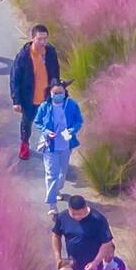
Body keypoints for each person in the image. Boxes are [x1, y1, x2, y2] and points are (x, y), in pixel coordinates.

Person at [33, 80, 83, 216]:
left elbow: (79, 120)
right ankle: (52, 204)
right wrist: (45, 131)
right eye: (55, 93)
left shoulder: (71, 105)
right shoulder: (45, 106)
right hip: (50, 145)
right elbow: (37, 122)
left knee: (62, 173)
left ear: (65, 92)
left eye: (60, 92)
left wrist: (71, 131)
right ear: (50, 92)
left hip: (66, 144)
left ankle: (57, 189)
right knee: (51, 175)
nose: (58, 95)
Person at [10, 25, 61, 160]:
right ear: (32, 38)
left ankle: (50, 150)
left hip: (46, 97)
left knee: (50, 124)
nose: (43, 42)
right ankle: (25, 144)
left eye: (45, 39)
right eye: (39, 39)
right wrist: (16, 101)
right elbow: (15, 79)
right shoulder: (23, 56)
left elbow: (55, 72)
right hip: (29, 97)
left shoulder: (50, 52)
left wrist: (56, 88)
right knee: (27, 122)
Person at [52, 195, 115, 270]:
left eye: (81, 214)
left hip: (93, 266)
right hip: (72, 265)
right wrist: (58, 258)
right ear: (69, 209)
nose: (77, 217)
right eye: (74, 214)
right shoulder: (62, 217)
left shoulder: (98, 220)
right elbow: (56, 236)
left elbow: (107, 243)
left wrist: (96, 262)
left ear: (85, 207)